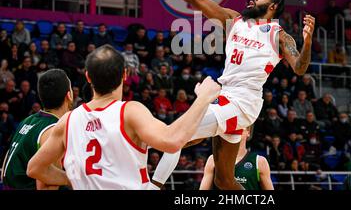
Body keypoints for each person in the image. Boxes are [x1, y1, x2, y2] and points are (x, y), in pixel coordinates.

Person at [126, 0, 315, 190]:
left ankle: (152, 187)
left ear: (273, 6)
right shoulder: (234, 21)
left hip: (243, 102)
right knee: (224, 181)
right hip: (225, 99)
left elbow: (299, 68)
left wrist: (307, 42)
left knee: (172, 137)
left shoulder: (278, 34)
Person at [26, 45, 221, 190]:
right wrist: (203, 99)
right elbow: (172, 141)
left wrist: (70, 179)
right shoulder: (130, 112)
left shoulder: (67, 121)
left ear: (88, 77)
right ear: (125, 75)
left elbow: (34, 168)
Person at [1, 69, 73, 189]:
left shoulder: (28, 120)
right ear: (69, 96)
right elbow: (46, 186)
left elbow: (6, 161)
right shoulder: (53, 130)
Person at [200, 127, 274, 190]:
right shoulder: (213, 159)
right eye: (234, 128)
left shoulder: (259, 161)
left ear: (248, 132)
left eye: (240, 127)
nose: (236, 131)